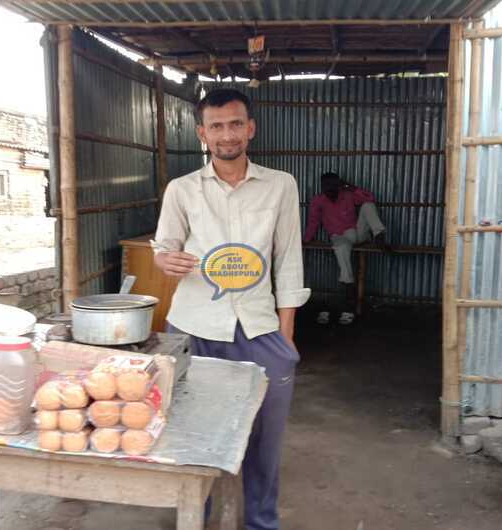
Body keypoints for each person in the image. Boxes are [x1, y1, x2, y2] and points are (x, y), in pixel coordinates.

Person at [152, 88, 309, 530]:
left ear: (250, 128)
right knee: (193, 434)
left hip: (259, 330)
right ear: (203, 134)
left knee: (264, 437)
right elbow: (164, 249)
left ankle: (261, 521)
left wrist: (286, 336)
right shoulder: (182, 190)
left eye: (235, 123)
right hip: (194, 327)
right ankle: (194, 518)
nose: (227, 134)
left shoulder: (281, 184)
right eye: (216, 126)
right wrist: (167, 260)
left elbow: (288, 260)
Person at [303, 172, 387, 325]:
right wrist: (307, 239)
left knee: (368, 206)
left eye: (334, 185)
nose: (330, 189)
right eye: (326, 186)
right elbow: (313, 221)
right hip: (339, 237)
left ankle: (379, 234)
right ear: (322, 187)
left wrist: (351, 187)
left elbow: (370, 199)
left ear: (339, 185)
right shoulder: (318, 201)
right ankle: (348, 292)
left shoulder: (347, 194)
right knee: (340, 248)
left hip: (358, 234)